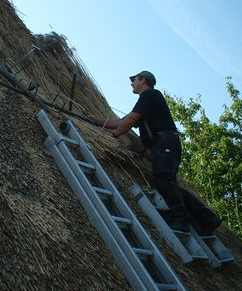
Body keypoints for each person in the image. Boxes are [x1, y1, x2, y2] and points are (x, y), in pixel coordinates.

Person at [94, 71, 221, 235]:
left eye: (134, 79)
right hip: (163, 144)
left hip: (165, 142)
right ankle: (207, 217)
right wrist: (94, 119)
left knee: (162, 178)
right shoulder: (145, 102)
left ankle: (180, 220)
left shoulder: (150, 95)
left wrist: (115, 135)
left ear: (143, 80)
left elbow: (131, 120)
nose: (131, 83)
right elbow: (122, 120)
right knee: (168, 182)